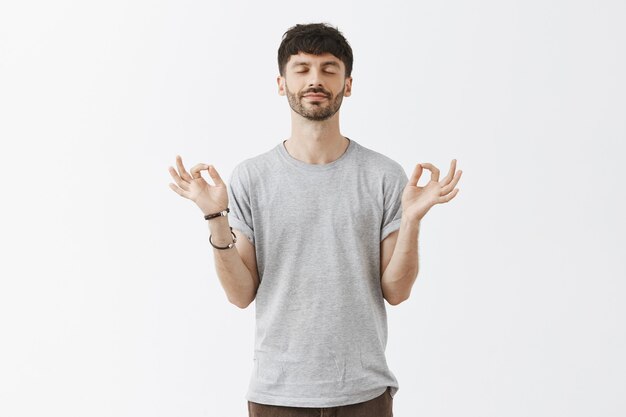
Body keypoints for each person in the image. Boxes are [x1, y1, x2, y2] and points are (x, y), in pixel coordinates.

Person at [168, 22, 462, 417]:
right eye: (302, 68)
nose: (315, 79)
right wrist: (214, 216)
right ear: (281, 82)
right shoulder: (252, 177)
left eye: (328, 68)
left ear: (348, 84)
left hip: (364, 392)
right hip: (277, 395)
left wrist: (411, 220)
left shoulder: (383, 175)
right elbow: (240, 295)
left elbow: (396, 291)